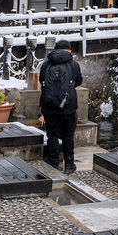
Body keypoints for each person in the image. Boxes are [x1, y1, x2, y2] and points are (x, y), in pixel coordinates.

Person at [38, 39, 83, 174]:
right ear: (69, 50)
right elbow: (78, 81)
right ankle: (69, 165)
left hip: (49, 106)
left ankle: (53, 164)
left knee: (52, 136)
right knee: (68, 136)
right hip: (68, 106)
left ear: (55, 50)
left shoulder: (46, 64)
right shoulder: (73, 65)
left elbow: (42, 81)